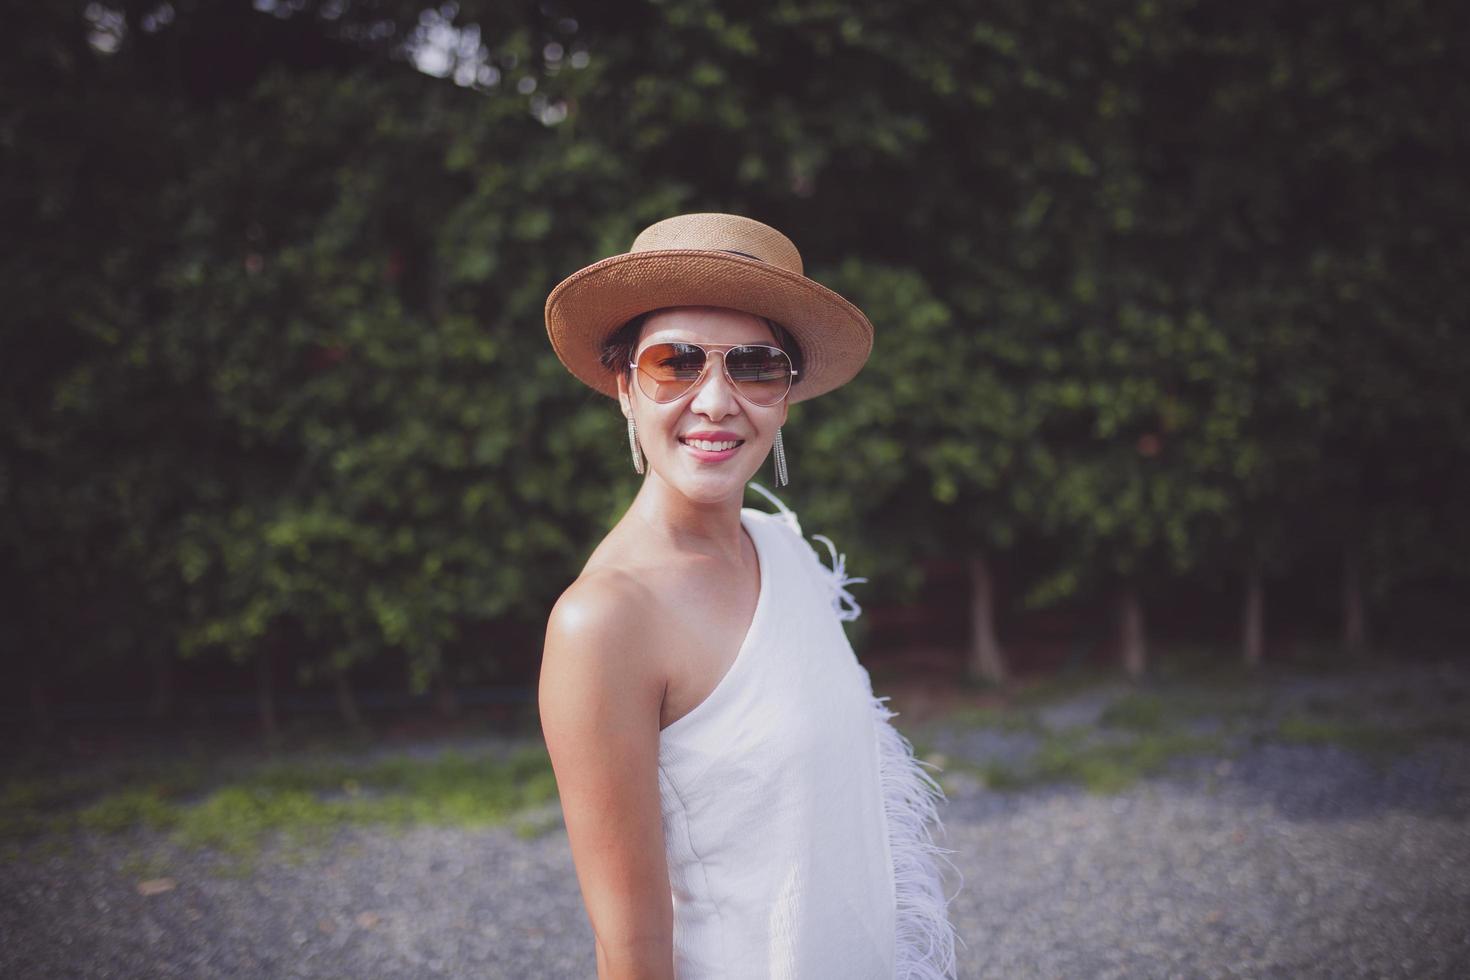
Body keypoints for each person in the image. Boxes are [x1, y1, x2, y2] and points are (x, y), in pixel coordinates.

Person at [539, 213, 958, 979]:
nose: (715, 401)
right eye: (676, 363)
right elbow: (630, 952)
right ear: (625, 387)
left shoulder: (784, 548)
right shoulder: (603, 621)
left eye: (756, 366)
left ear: (786, 397)